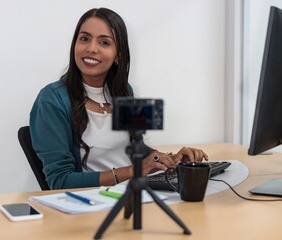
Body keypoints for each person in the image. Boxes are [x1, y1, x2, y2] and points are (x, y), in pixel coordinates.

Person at [30, 7, 208, 189]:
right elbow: (60, 181)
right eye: (84, 39)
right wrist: (133, 170)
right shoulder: (51, 100)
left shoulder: (124, 91)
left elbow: (136, 150)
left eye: (104, 43)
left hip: (135, 192)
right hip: (93, 203)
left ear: (118, 55)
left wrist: (168, 159)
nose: (91, 49)